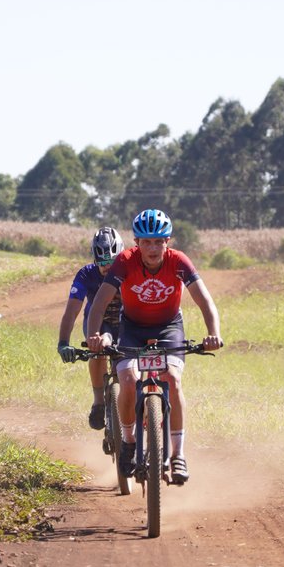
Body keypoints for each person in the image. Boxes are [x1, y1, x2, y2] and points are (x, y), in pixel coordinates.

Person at [85, 208, 222, 486]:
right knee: (127, 379)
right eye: (146, 242)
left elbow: (205, 300)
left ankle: (178, 454)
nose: (153, 248)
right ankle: (128, 441)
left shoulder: (179, 262)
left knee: (172, 378)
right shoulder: (124, 262)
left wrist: (213, 334)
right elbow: (99, 303)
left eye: (159, 241)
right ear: (137, 243)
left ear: (167, 241)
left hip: (169, 327)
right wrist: (94, 335)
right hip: (132, 328)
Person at [57, 226, 125, 430]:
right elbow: (71, 311)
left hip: (125, 321)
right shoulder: (86, 274)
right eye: (102, 262)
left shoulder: (130, 270)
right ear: (94, 260)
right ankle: (99, 402)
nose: (107, 267)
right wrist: (63, 343)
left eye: (112, 261)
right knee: (96, 351)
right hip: (98, 322)